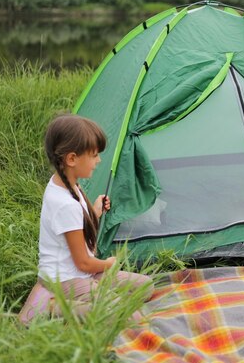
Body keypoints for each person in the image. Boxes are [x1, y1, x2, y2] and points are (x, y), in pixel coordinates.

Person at [19, 114, 154, 324]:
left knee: (146, 287)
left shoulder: (67, 182)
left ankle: (88, 301)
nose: (98, 160)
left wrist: (96, 210)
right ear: (72, 159)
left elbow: (79, 224)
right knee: (131, 319)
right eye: (93, 155)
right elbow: (83, 263)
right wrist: (109, 264)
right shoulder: (65, 204)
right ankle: (52, 308)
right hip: (66, 280)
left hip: (82, 274)